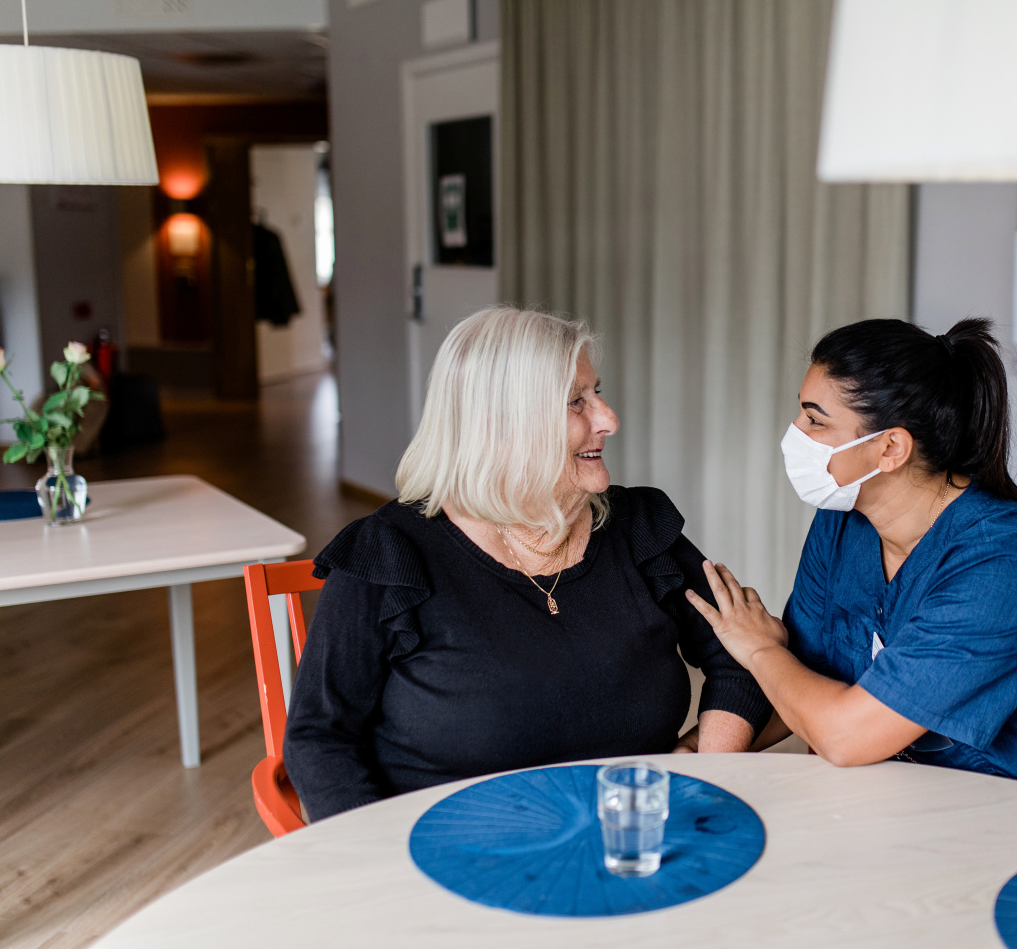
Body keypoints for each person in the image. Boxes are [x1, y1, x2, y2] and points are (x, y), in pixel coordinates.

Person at [283, 307, 771, 820]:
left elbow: (746, 654)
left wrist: (701, 771)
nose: (608, 419)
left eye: (597, 393)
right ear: (500, 425)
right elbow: (320, 739)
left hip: (632, 838)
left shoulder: (639, 530)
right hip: (458, 850)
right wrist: (386, 858)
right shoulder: (387, 556)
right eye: (576, 401)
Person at [687, 318, 1017, 809]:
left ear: (891, 448)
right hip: (921, 794)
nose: (795, 434)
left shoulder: (1005, 568)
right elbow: (803, 679)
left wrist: (759, 649)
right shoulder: (843, 521)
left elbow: (842, 736)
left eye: (816, 421)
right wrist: (696, 758)